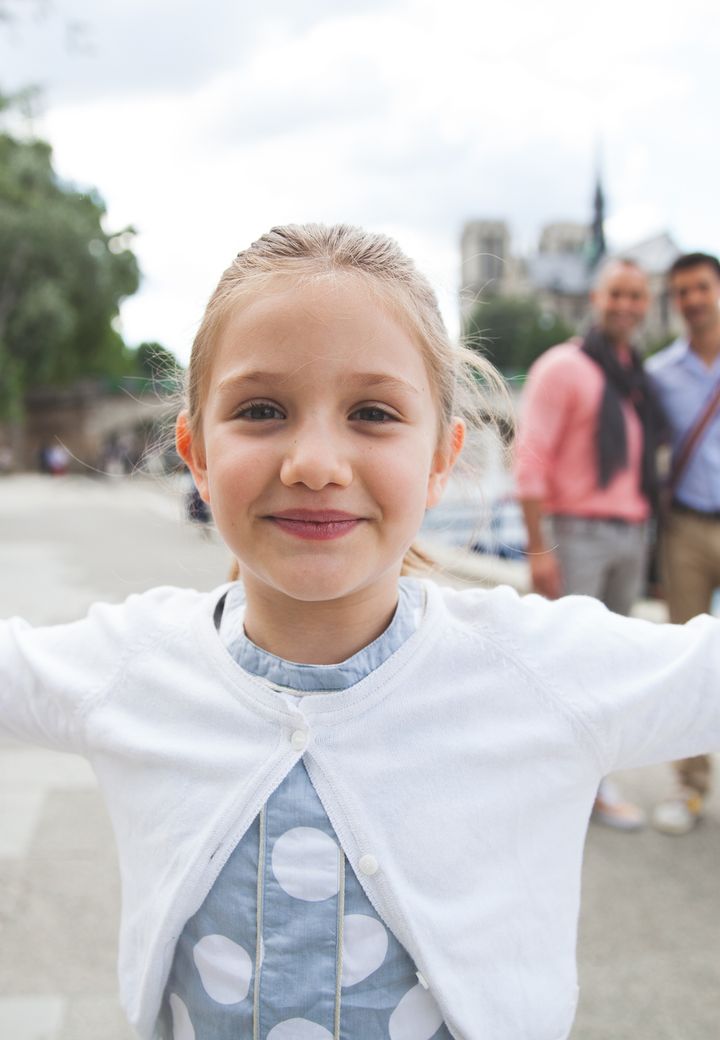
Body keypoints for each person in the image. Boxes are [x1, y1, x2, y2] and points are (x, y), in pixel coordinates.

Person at [0, 225, 718, 1040]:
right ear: (195, 454)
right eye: (262, 410)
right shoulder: (136, 663)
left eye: (372, 413)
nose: (315, 462)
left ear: (443, 458)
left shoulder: (534, 667)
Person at [514, 258, 663, 830]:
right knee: (568, 667)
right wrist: (539, 550)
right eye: (616, 294)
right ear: (596, 298)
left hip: (633, 531)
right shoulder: (563, 367)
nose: (626, 305)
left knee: (607, 669)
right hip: (579, 533)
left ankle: (589, 783)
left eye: (637, 295)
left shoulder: (635, 374)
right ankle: (565, 789)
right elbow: (530, 460)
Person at [646, 252, 720, 835]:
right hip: (689, 527)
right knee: (687, 660)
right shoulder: (661, 372)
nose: (693, 299)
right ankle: (690, 789)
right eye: (682, 292)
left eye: (701, 288)